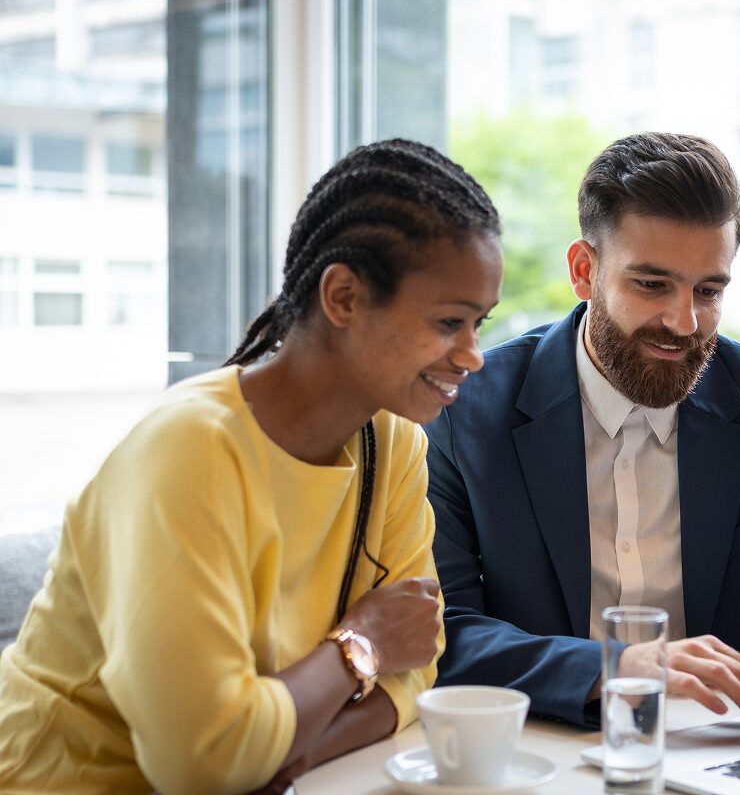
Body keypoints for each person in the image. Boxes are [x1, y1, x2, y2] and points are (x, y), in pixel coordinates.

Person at [0, 138, 503, 794]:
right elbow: (204, 760)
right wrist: (360, 645)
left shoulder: (393, 443)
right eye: (449, 323)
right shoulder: (187, 451)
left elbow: (419, 665)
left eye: (478, 325)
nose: (472, 356)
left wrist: (291, 751)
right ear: (344, 297)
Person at [426, 131, 740, 727]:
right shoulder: (465, 412)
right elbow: (440, 633)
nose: (684, 321)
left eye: (709, 291)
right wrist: (617, 667)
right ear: (584, 270)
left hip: (736, 756)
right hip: (548, 755)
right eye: (652, 284)